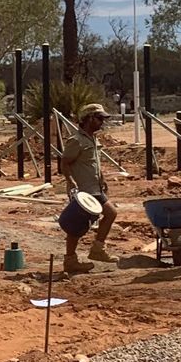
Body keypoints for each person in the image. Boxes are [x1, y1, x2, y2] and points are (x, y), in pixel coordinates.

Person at [58, 103, 119, 271]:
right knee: (77, 225)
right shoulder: (76, 140)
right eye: (99, 118)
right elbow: (65, 162)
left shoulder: (92, 139)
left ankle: (97, 250)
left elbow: (94, 163)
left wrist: (102, 179)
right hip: (84, 191)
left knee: (110, 214)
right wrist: (70, 181)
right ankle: (71, 260)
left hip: (95, 188)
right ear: (89, 119)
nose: (102, 122)